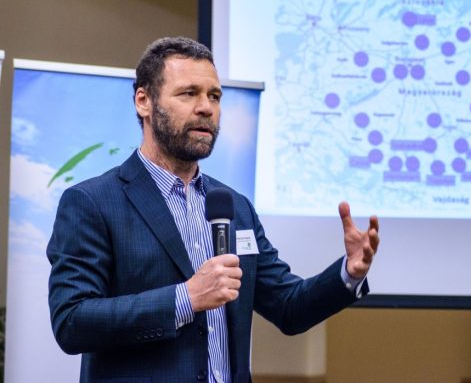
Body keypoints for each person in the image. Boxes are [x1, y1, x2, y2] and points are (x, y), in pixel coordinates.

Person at [47, 37, 380, 383]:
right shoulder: (92, 202)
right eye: (189, 93)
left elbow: (288, 307)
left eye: (215, 96)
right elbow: (72, 321)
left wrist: (348, 273)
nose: (206, 108)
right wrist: (186, 297)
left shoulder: (235, 207)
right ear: (144, 101)